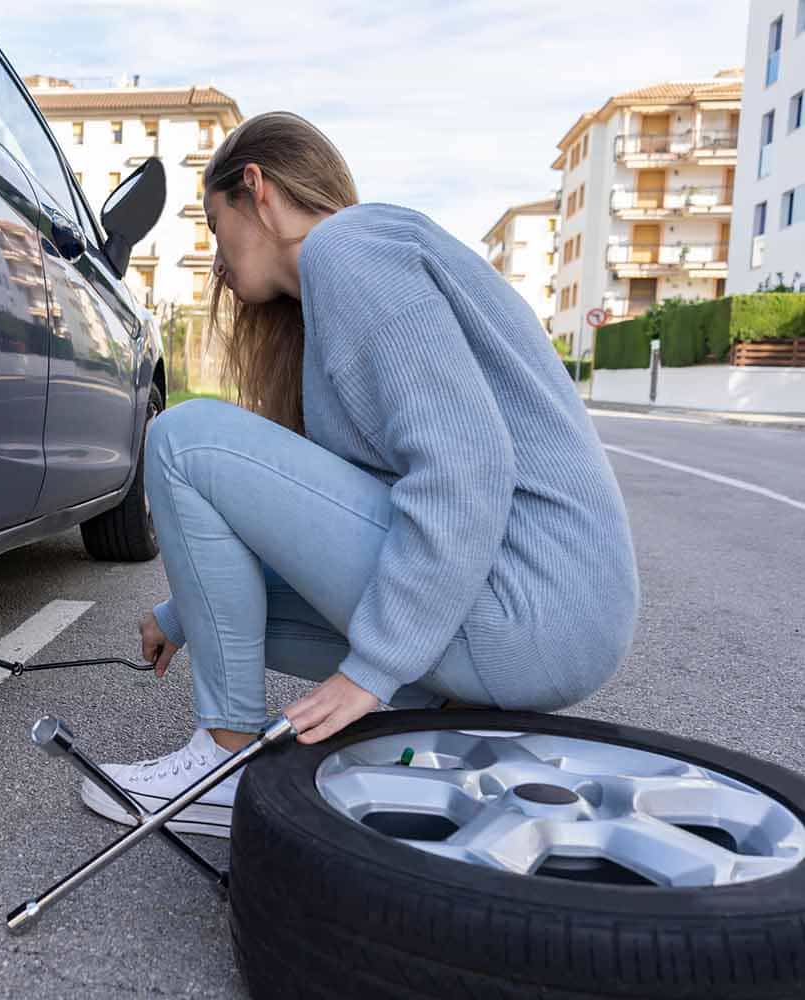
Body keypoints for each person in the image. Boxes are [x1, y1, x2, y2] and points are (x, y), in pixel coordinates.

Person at [79, 112, 640, 839]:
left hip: (529, 606)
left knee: (183, 438)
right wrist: (182, 616)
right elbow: (337, 523)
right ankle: (435, 722)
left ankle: (221, 763)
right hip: (534, 624)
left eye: (216, 228)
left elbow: (465, 465)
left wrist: (368, 673)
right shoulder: (340, 287)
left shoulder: (350, 248)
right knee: (235, 607)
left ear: (258, 189)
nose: (214, 260)